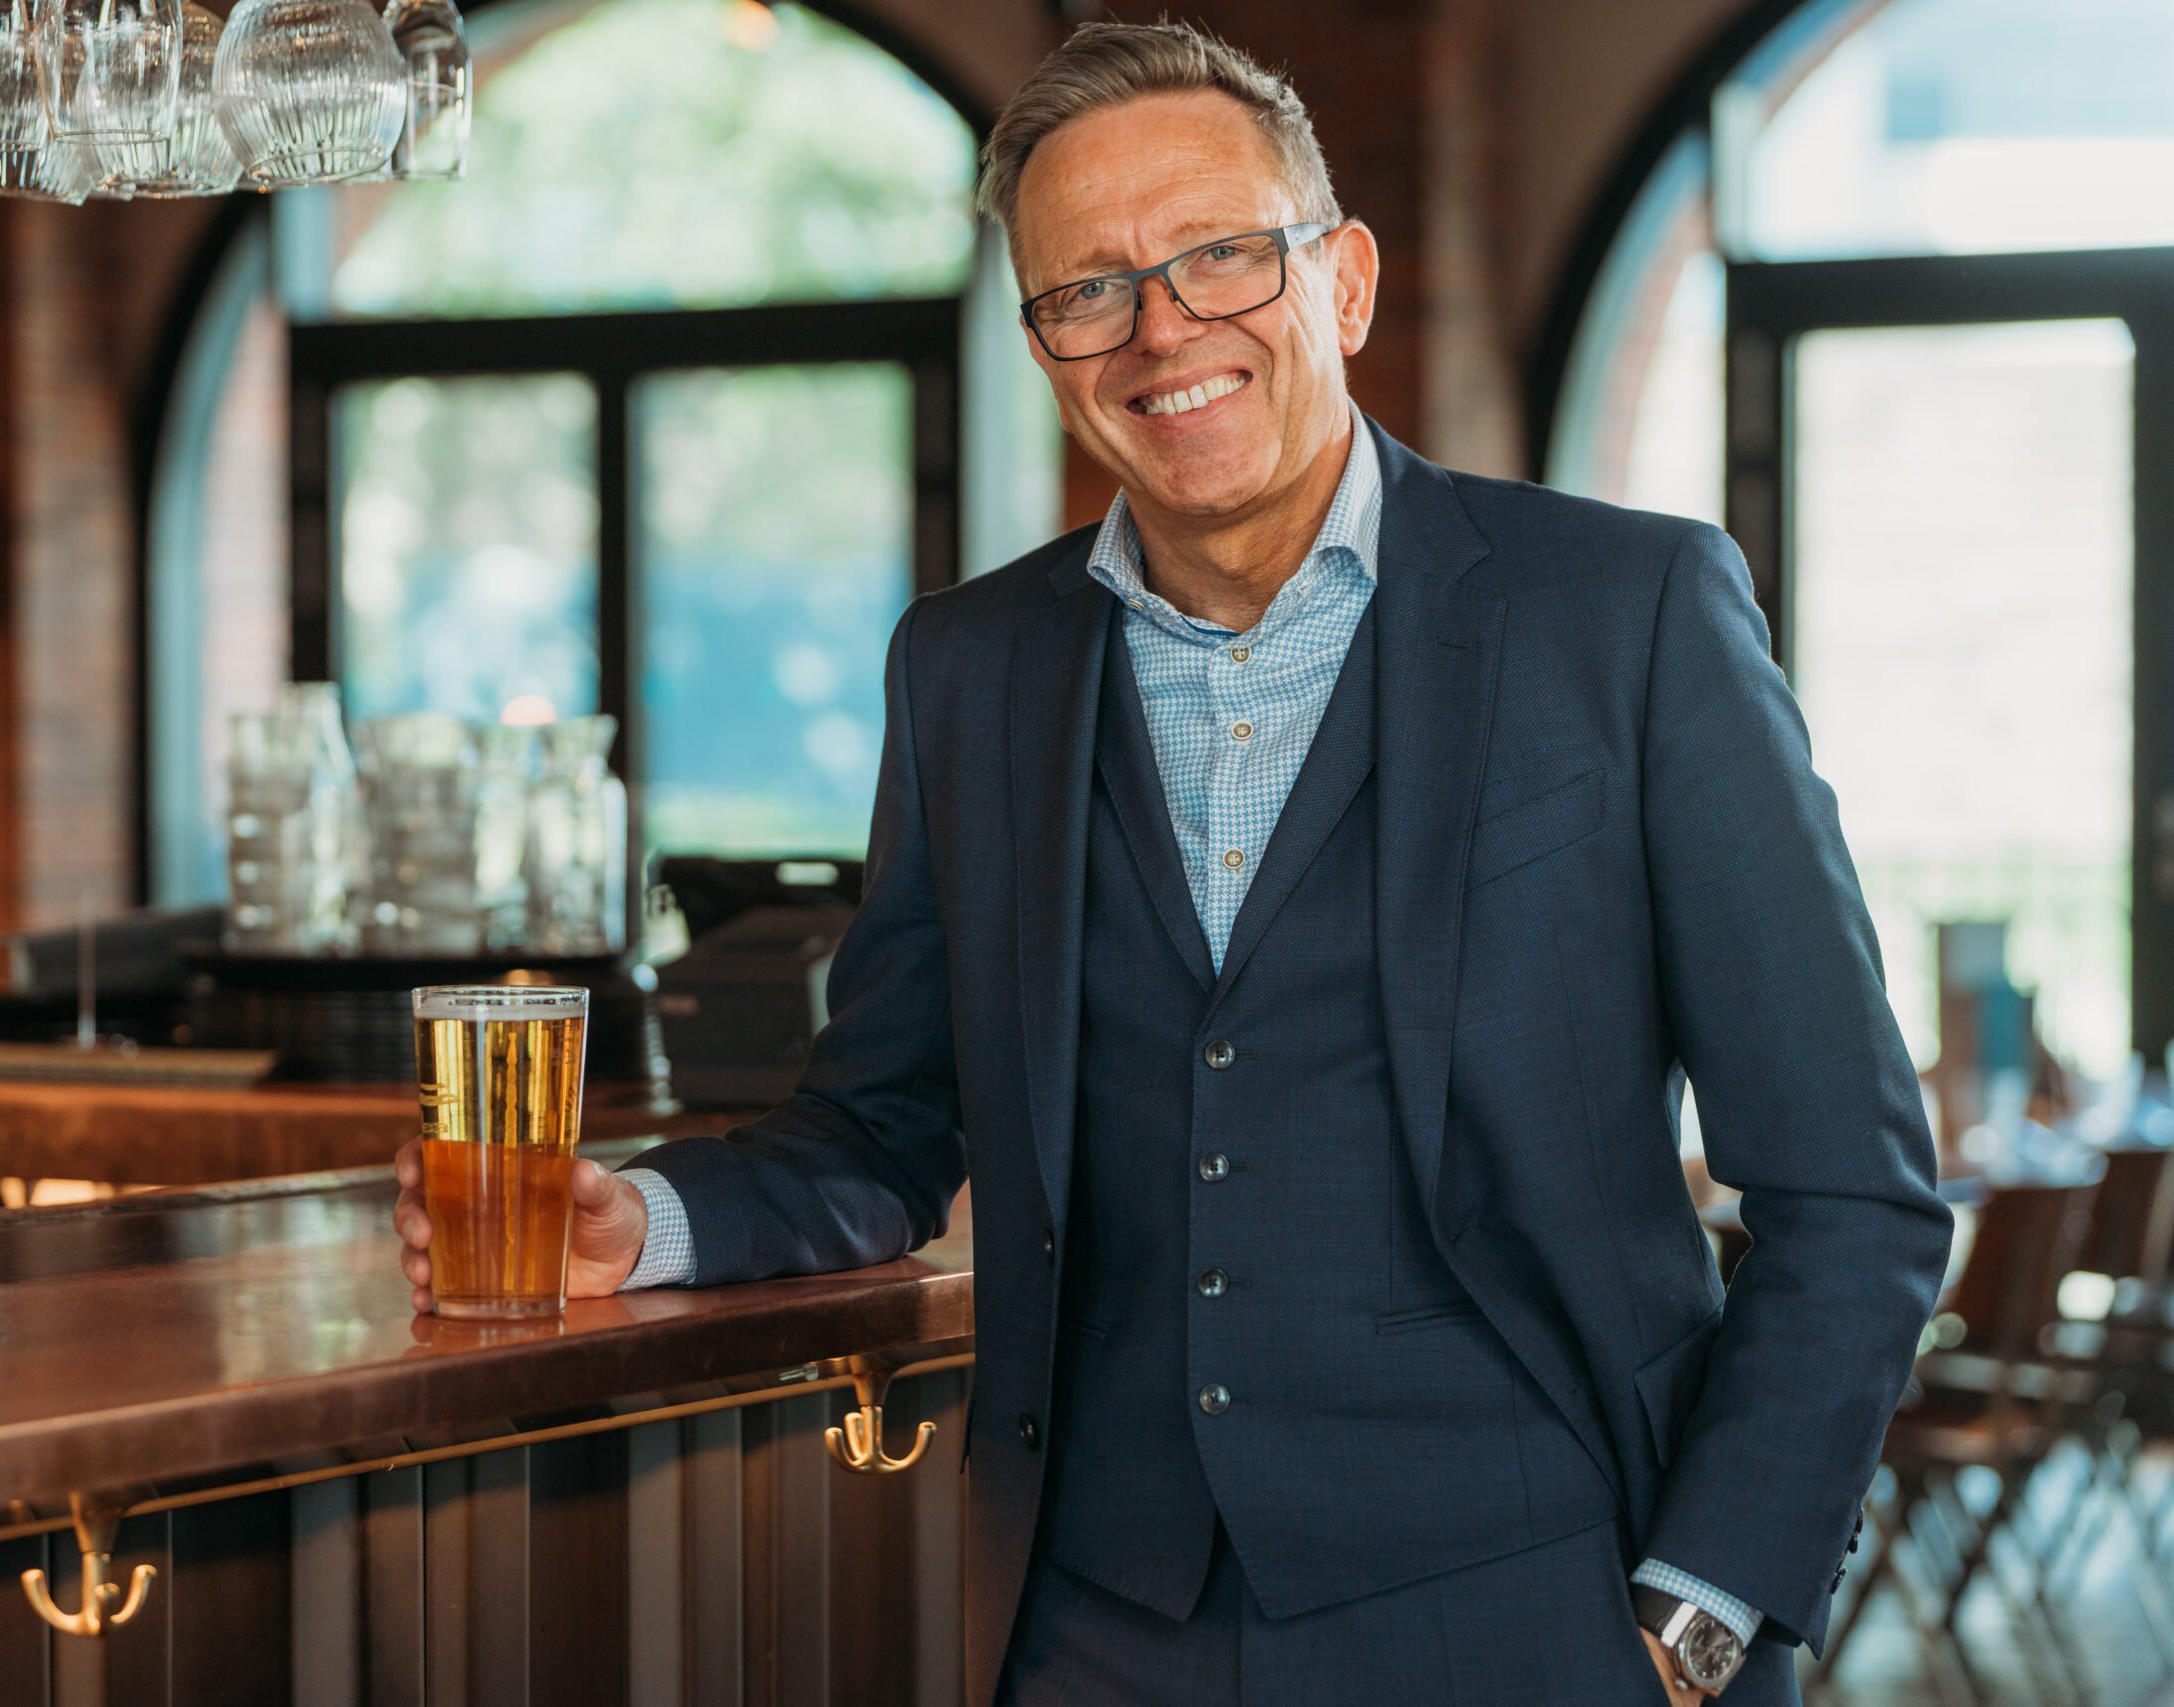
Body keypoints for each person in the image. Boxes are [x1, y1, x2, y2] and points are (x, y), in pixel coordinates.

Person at [393, 21, 1950, 1705]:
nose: (1163, 331)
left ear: (1340, 284)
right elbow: (887, 1123)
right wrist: (651, 1222)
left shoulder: (1627, 617)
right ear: (1047, 348)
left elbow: (1852, 1193)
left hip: (1541, 1610)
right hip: (1099, 1628)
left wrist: (1703, 1610)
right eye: (1091, 290)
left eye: (1222, 259)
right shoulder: (970, 666)